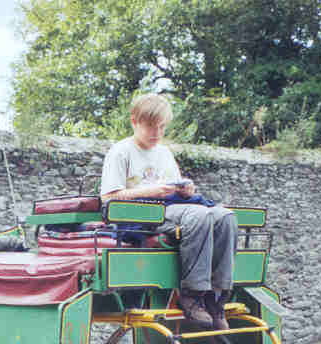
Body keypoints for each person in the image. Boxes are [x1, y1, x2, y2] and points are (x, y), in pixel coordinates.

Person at [100, 93, 237, 329]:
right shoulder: (121, 152)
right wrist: (152, 191)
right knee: (198, 215)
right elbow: (109, 198)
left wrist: (186, 190)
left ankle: (217, 296)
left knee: (225, 216)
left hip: (171, 209)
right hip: (138, 217)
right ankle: (192, 295)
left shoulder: (164, 153)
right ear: (134, 121)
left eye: (162, 127)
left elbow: (175, 187)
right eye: (151, 127)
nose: (157, 133)